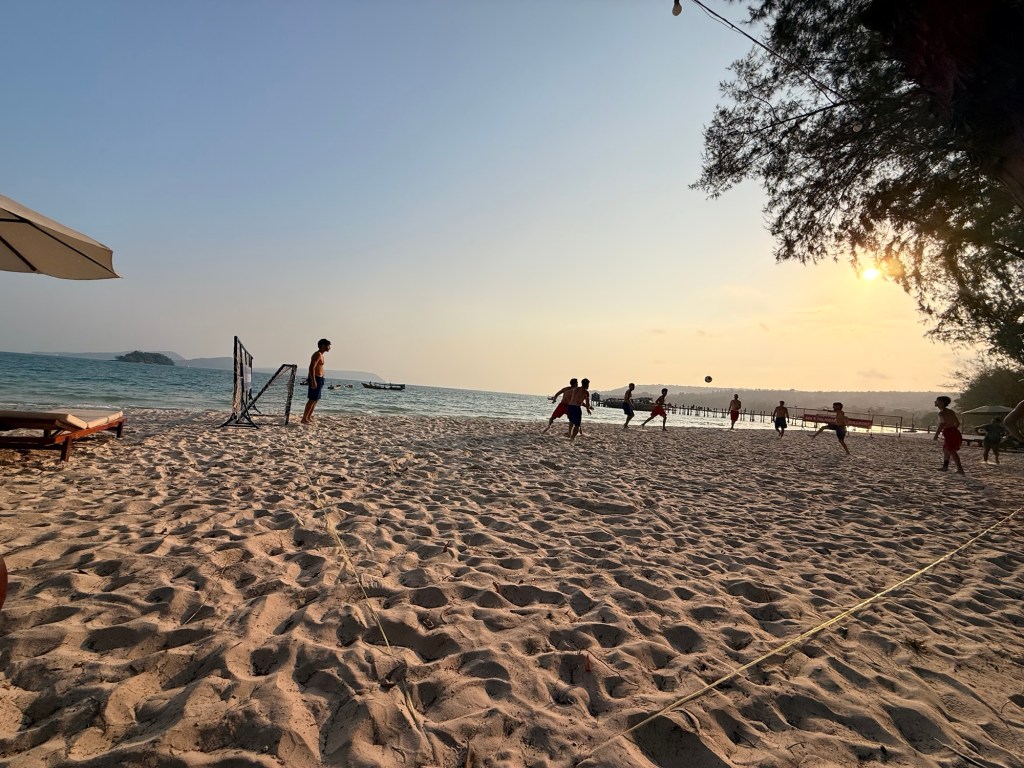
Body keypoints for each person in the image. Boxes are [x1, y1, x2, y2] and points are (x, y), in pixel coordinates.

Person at [300, 338, 331, 425]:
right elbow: (311, 367)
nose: (329, 347)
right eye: (328, 345)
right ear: (323, 346)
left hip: (320, 378)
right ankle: (304, 419)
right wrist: (313, 380)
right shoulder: (317, 354)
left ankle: (308, 417)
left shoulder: (321, 355)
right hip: (316, 378)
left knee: (316, 399)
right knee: (312, 399)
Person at [933, 396, 964, 473]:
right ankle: (945, 467)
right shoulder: (951, 412)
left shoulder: (941, 413)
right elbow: (957, 423)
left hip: (949, 432)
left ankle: (960, 469)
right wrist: (953, 429)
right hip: (954, 431)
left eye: (937, 401)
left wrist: (936, 434)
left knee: (951, 450)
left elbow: (942, 424)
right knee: (946, 449)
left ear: (942, 403)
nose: (935, 402)